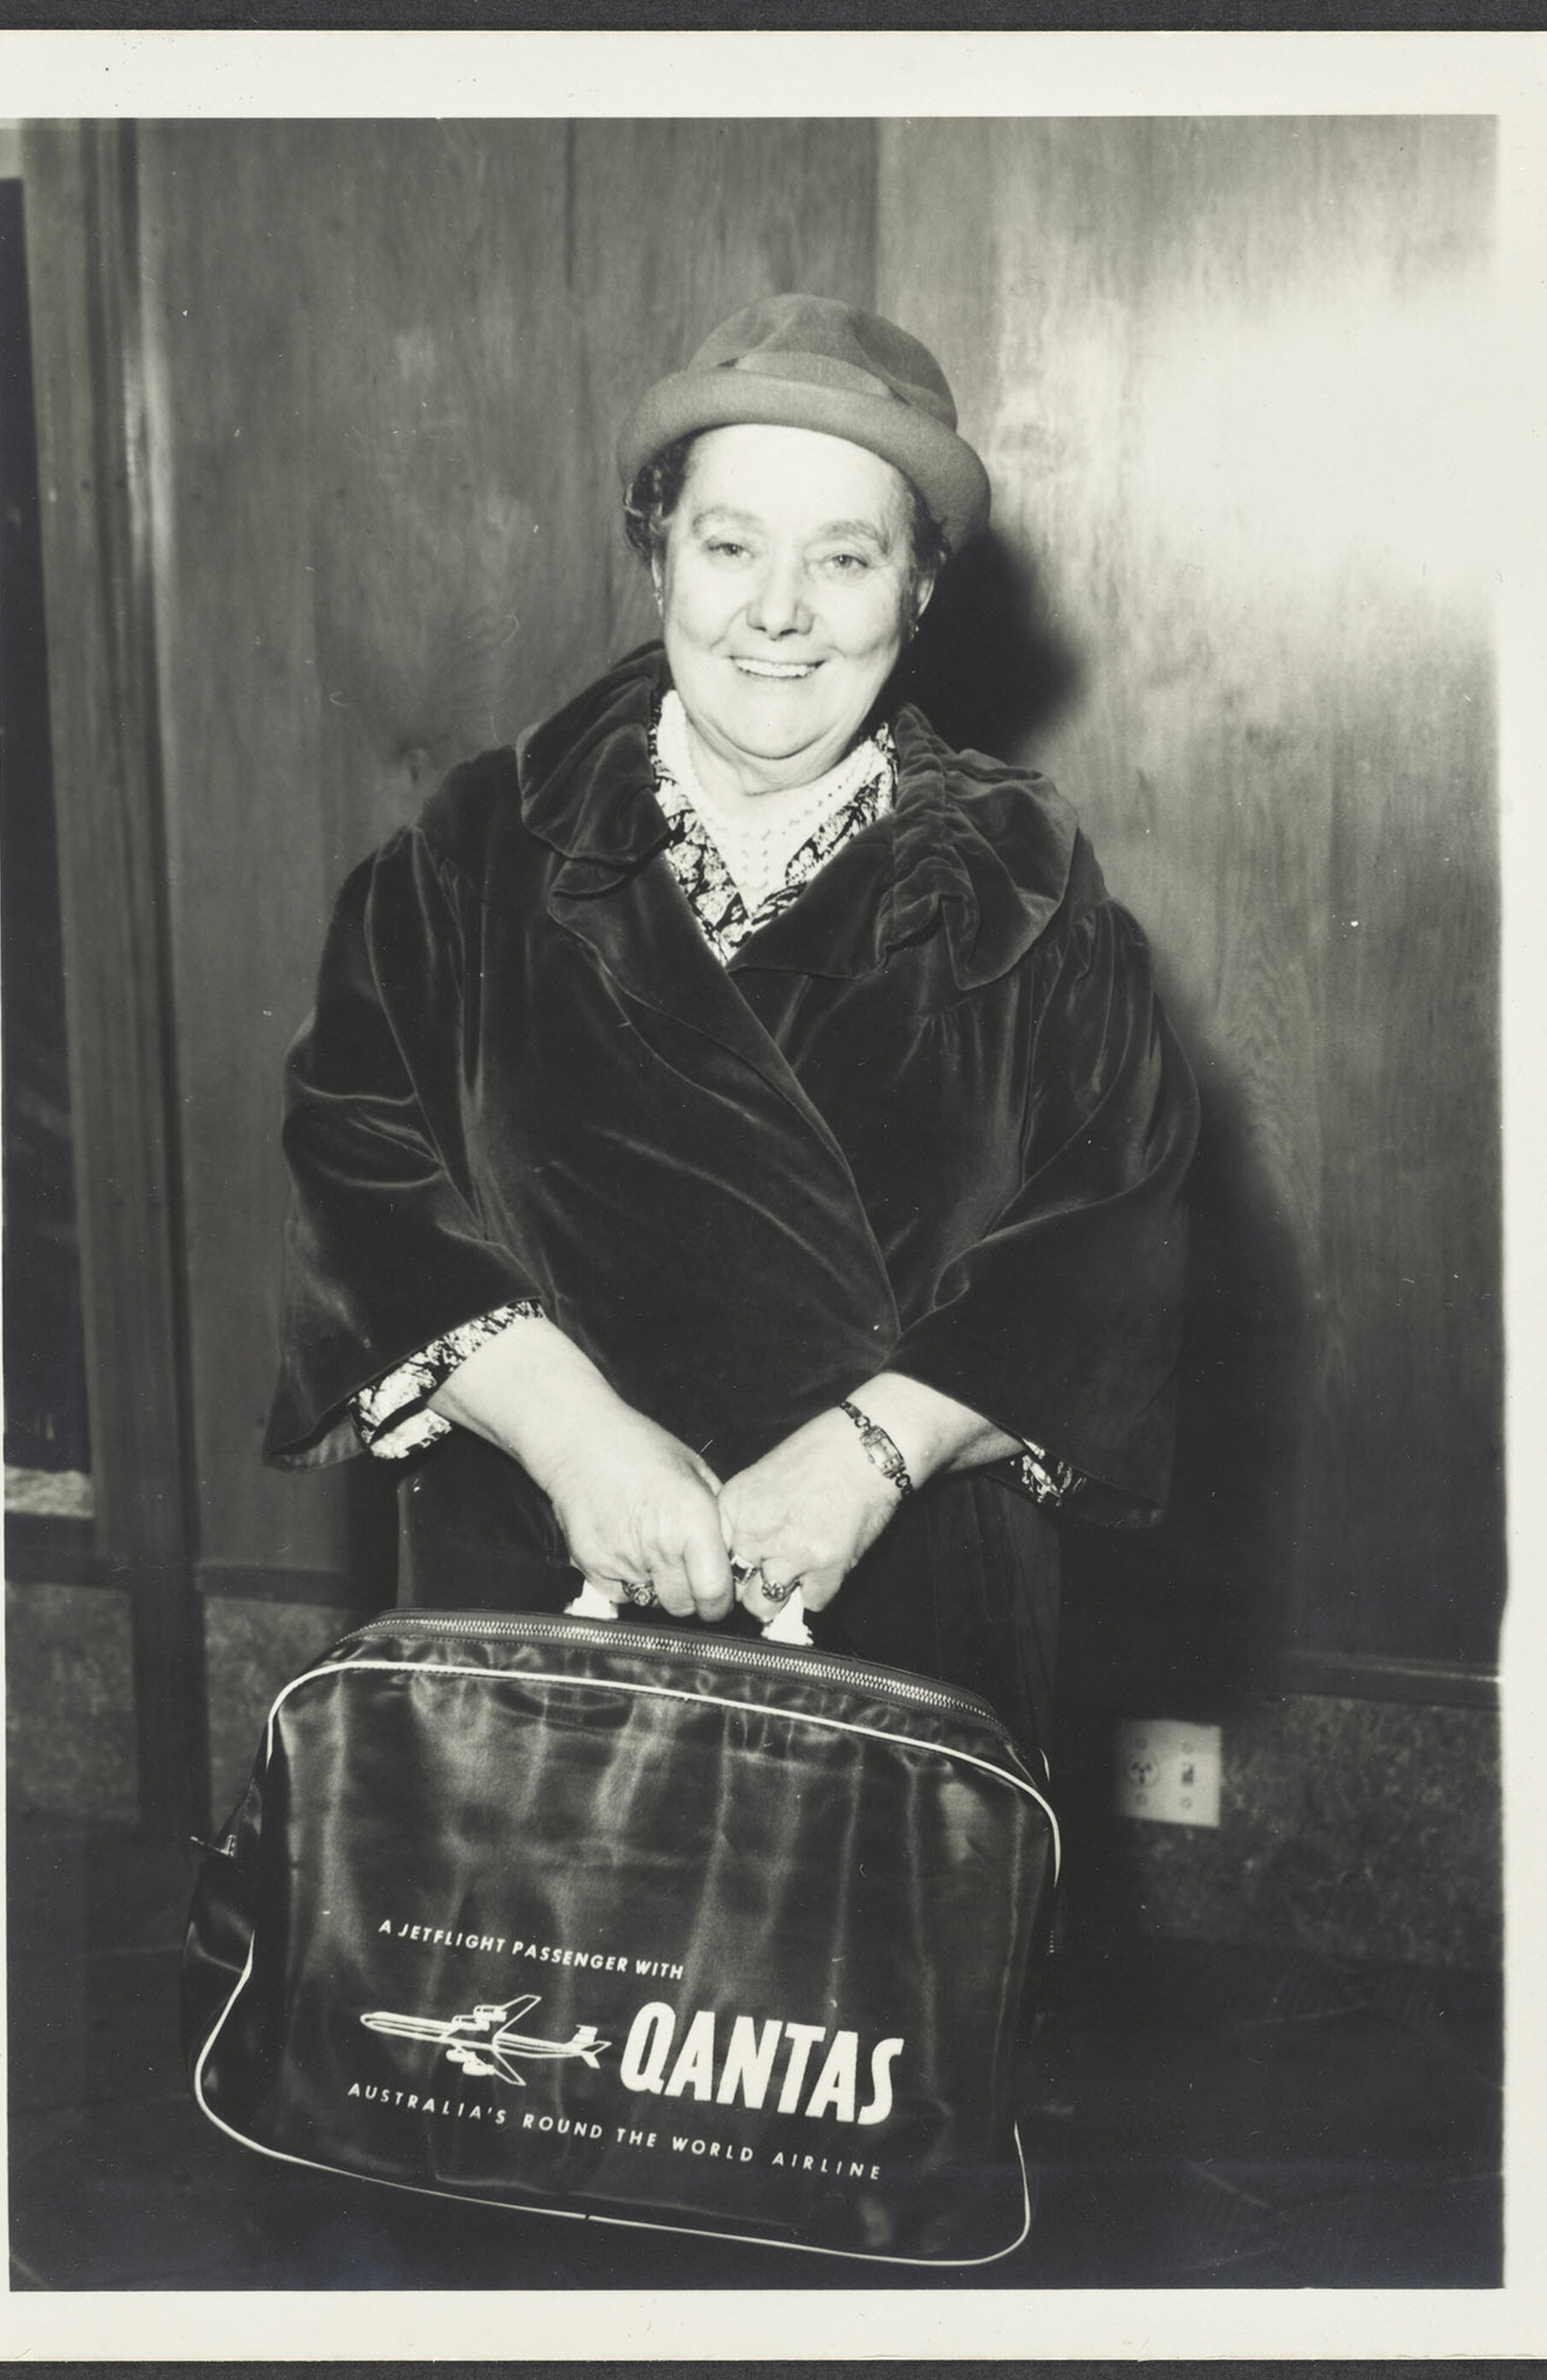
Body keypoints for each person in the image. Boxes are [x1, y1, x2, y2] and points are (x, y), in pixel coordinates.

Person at [264, 295, 1197, 1764]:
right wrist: (575, 1436)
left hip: (904, 1650)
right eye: (731, 545)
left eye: (844, 559)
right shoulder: (467, 859)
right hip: (532, 1633)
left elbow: (1111, 1246)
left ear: (918, 592)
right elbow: (357, 1168)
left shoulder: (1036, 898)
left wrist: (871, 1456)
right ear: (658, 558)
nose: (780, 612)